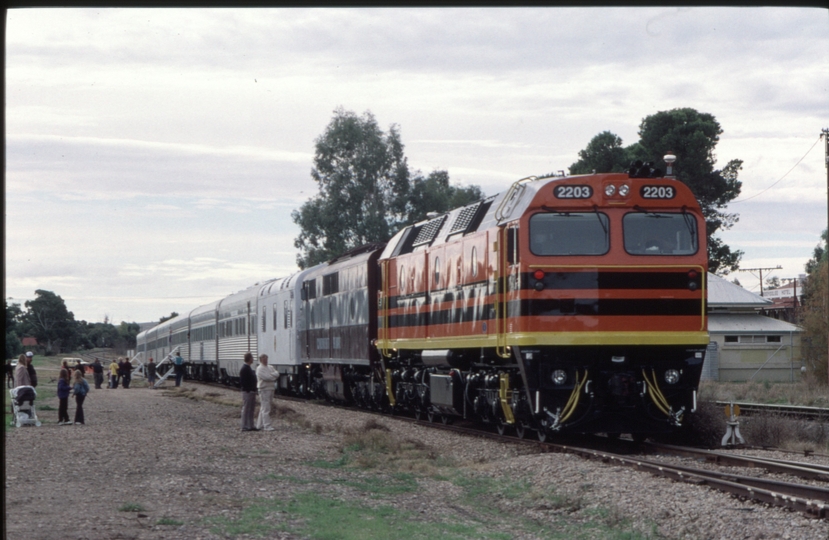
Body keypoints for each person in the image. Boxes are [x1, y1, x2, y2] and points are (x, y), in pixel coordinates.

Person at [255, 354, 278, 432]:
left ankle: (259, 425)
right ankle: (267, 426)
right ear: (261, 359)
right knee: (266, 408)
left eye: (267, 358)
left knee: (264, 407)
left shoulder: (270, 367)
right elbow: (266, 377)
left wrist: (271, 376)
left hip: (271, 388)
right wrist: (272, 376)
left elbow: (277, 374)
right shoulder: (259, 369)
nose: (266, 360)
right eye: (264, 358)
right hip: (264, 389)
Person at [239, 352, 258, 431]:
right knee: (246, 408)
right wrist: (248, 389)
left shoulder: (248, 368)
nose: (253, 359)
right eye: (252, 358)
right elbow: (243, 381)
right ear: (250, 359)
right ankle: (244, 425)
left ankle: (250, 425)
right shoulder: (244, 369)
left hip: (251, 391)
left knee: (251, 409)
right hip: (247, 391)